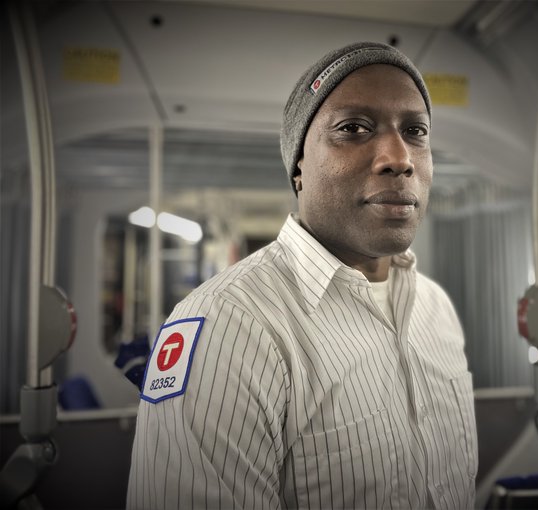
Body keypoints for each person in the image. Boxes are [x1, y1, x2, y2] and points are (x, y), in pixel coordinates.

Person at [127, 41, 478, 510]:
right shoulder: (228, 327)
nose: (400, 157)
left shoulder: (436, 310)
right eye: (353, 128)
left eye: (415, 131)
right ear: (297, 168)